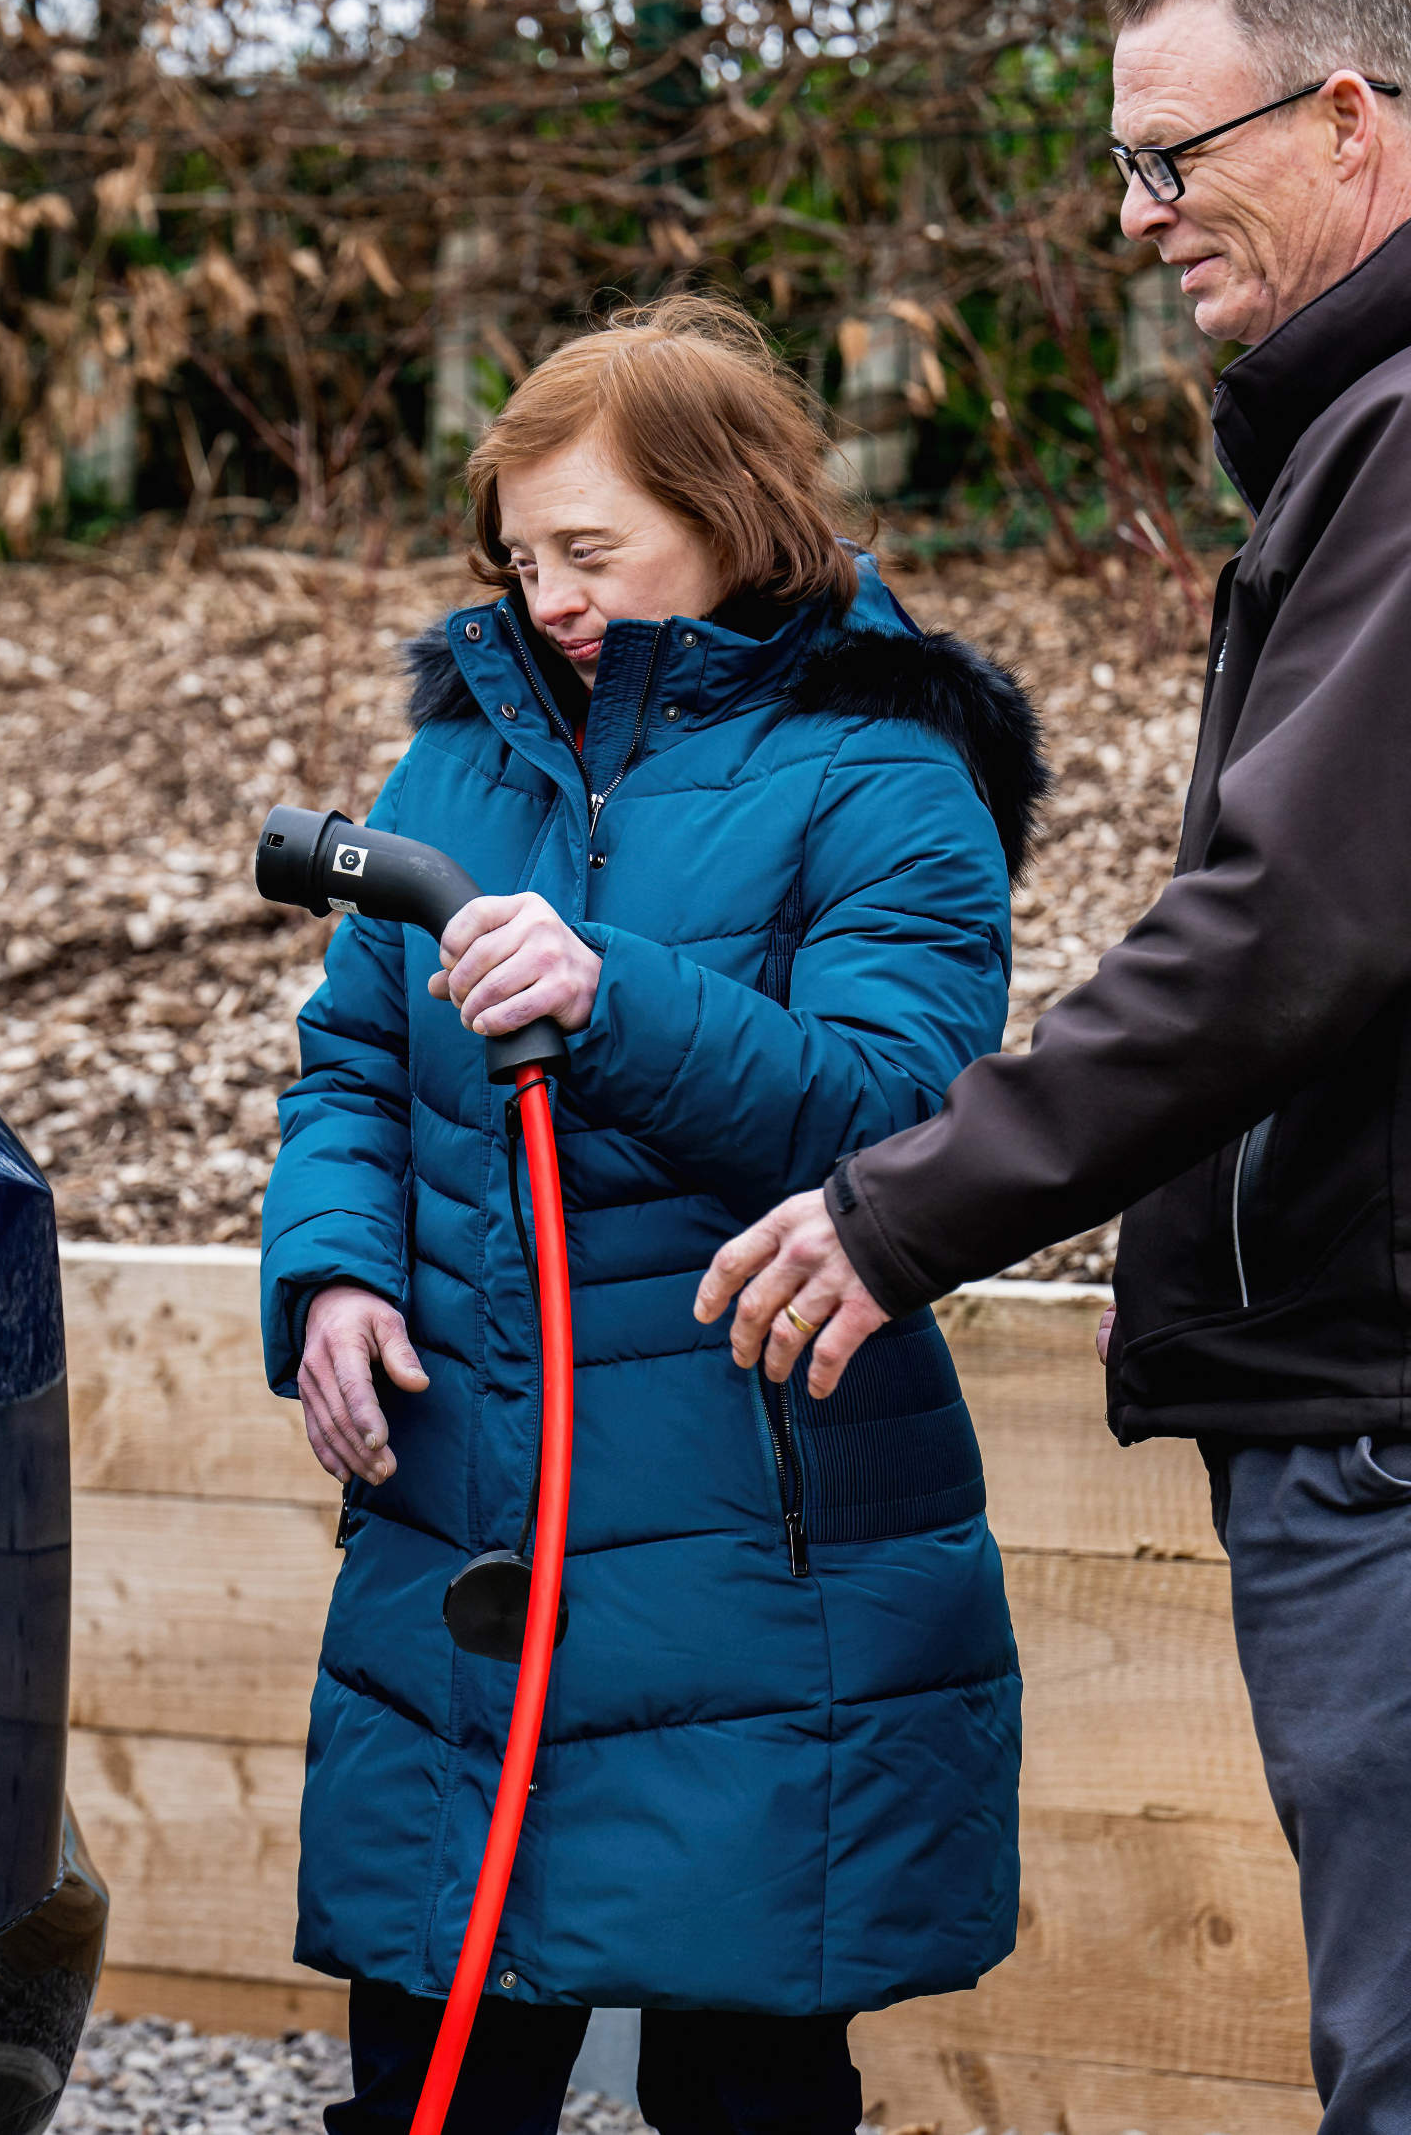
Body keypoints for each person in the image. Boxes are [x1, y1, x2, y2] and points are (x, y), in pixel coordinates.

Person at [700, 0, 1411, 2135]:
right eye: (1123, 164)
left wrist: (898, 1209)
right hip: (1392, 1375)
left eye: (1174, 155)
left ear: (1345, 117)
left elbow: (1283, 933)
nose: (1137, 214)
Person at [258, 296, 1049, 2135]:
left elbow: (892, 1117)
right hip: (465, 1529)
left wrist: (606, 997)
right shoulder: (464, 762)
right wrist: (332, 1277)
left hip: (754, 1568)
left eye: (591, 550)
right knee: (431, 2075)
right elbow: (350, 1074)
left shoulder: (883, 774)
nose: (548, 598)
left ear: (731, 509)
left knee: (746, 2087)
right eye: (523, 554)